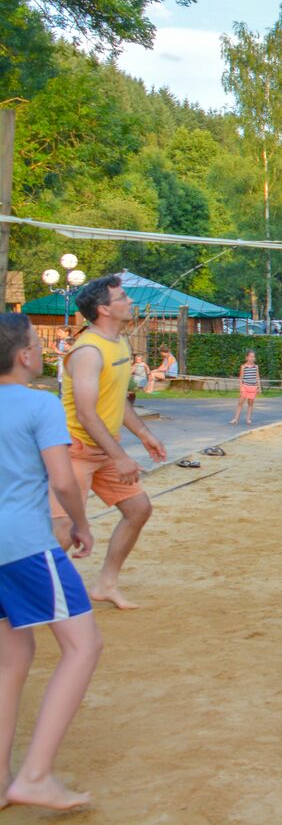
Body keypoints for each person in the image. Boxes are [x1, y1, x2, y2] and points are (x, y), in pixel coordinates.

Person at [0, 315, 103, 813]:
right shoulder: (40, 403)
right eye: (35, 348)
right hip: (22, 543)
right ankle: (35, 775)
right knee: (83, 646)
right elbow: (63, 481)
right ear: (23, 356)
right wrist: (80, 523)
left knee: (11, 658)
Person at [54, 275, 166, 610]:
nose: (129, 301)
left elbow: (116, 402)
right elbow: (88, 413)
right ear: (104, 308)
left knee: (138, 510)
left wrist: (144, 435)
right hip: (74, 449)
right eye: (122, 297)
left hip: (105, 448)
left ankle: (105, 584)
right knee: (63, 530)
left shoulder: (118, 342)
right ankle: (19, 598)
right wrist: (120, 457)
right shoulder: (88, 350)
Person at [228, 350, 260, 426]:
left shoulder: (256, 367)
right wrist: (241, 387)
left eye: (253, 356)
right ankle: (236, 419)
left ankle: (248, 419)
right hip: (245, 386)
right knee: (240, 402)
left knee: (250, 403)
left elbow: (257, 377)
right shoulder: (243, 366)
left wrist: (259, 387)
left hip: (253, 387)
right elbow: (241, 377)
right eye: (250, 356)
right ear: (247, 357)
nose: (252, 358)